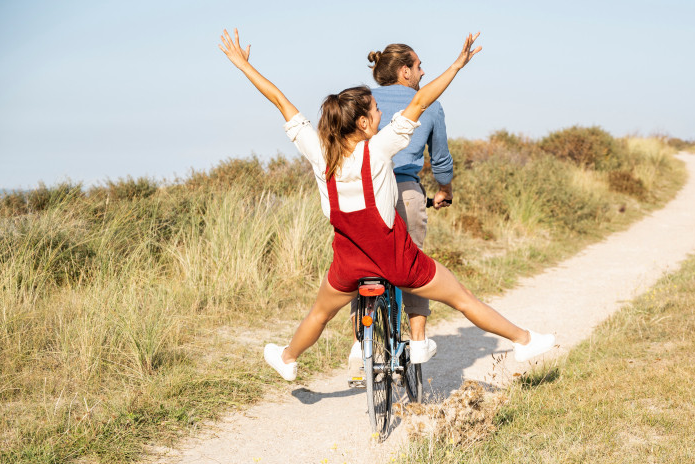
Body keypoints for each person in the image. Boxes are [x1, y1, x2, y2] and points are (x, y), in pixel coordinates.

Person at [218, 29, 554, 382]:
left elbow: (280, 101)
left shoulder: (319, 152)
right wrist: (457, 65)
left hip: (349, 265)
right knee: (463, 299)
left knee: (318, 315)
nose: (381, 114)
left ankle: (288, 358)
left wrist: (243, 65)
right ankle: (523, 340)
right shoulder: (377, 150)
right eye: (377, 111)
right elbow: (421, 100)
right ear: (364, 123)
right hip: (398, 261)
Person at [344, 43, 455, 370]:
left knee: (360, 263)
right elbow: (441, 161)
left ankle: (357, 347)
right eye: (419, 66)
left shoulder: (363, 101)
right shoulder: (428, 104)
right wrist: (444, 190)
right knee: (413, 264)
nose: (423, 72)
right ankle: (418, 342)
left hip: (362, 190)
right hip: (405, 190)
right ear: (404, 71)